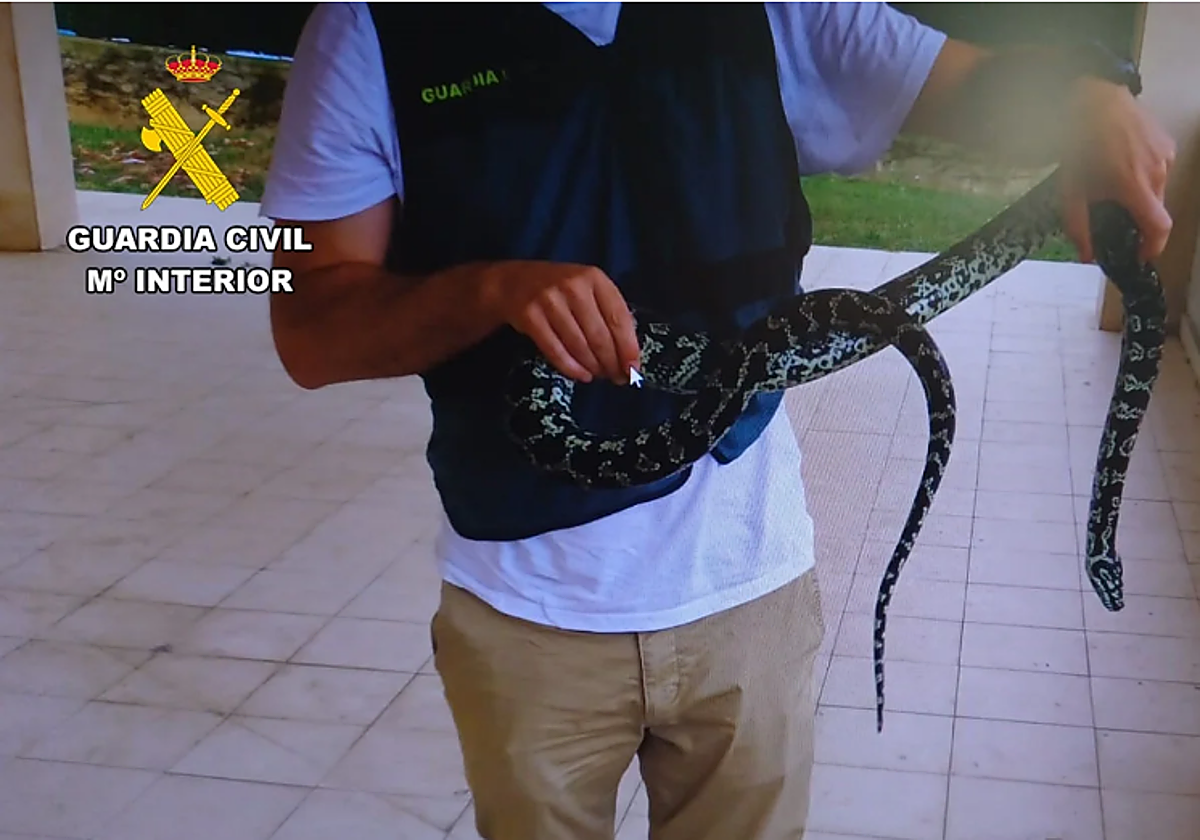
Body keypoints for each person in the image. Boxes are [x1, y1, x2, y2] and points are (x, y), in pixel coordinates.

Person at [261, 4, 1175, 838]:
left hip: (750, 595)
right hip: (526, 609)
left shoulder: (769, 8)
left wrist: (1091, 91)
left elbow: (979, 86)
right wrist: (491, 292)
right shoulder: (372, 30)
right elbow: (311, 329)